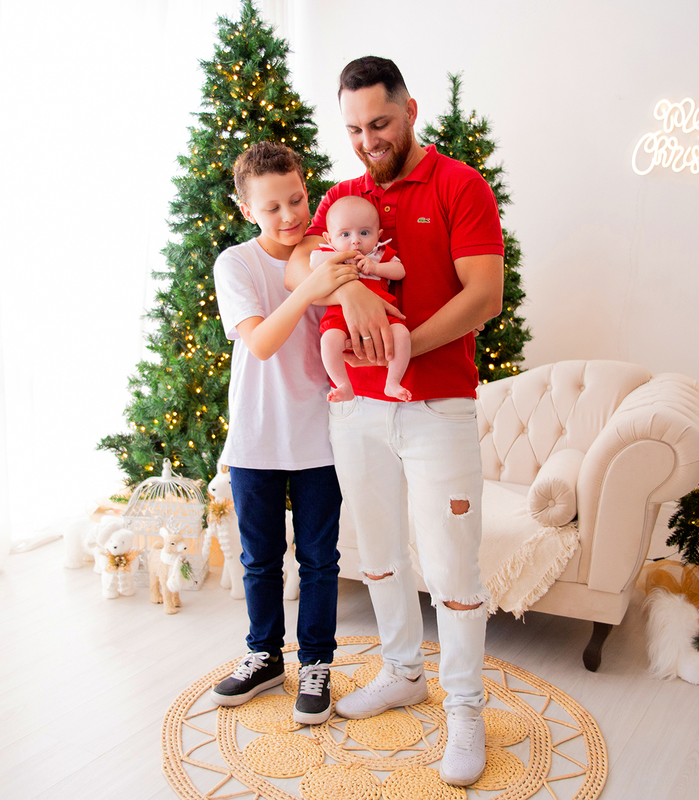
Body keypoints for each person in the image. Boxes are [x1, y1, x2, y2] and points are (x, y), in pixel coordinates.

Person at [285, 56, 505, 785]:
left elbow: (484, 297)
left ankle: (465, 709)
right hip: (357, 412)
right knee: (377, 551)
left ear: (409, 109)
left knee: (453, 568)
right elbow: (296, 270)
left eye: (379, 123)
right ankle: (403, 671)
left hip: (438, 406)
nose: (366, 140)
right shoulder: (344, 197)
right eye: (352, 128)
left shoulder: (459, 186)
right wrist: (350, 298)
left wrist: (394, 337)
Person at [208, 141, 358, 726]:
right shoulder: (237, 264)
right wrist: (310, 289)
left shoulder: (328, 251)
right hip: (255, 436)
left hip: (320, 436)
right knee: (260, 559)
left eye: (297, 199)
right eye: (273, 208)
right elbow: (263, 342)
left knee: (321, 561)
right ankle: (264, 656)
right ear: (248, 211)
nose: (290, 216)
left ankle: (316, 662)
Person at [310, 195, 412, 402]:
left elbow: (400, 270)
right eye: (345, 234)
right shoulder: (330, 254)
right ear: (329, 239)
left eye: (364, 233)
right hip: (340, 316)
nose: (355, 240)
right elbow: (314, 262)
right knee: (329, 341)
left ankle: (392, 381)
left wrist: (375, 267)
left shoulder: (379, 254)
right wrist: (341, 258)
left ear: (378, 235)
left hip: (382, 315)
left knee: (401, 334)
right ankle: (343, 384)